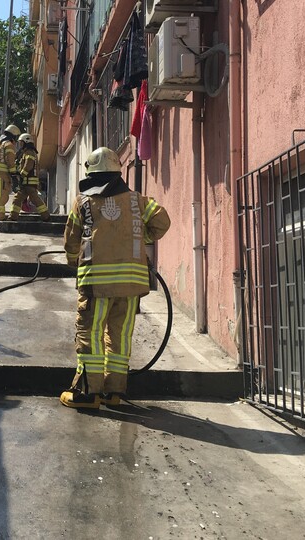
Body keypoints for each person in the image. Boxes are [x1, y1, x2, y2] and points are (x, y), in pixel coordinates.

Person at [60, 147, 171, 408]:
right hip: (131, 284)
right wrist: (138, 239)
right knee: (120, 336)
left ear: (91, 174)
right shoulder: (138, 201)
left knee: (90, 334)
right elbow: (162, 222)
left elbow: (71, 241)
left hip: (95, 284)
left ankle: (88, 393)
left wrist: (73, 261)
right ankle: (114, 393)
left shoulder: (82, 202)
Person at [9, 133, 50, 221]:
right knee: (19, 198)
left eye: (21, 143)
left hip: (28, 182)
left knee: (33, 198)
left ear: (26, 142)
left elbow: (29, 165)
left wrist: (21, 174)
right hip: (27, 182)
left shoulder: (29, 152)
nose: (20, 145)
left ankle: (46, 216)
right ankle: (13, 217)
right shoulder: (29, 152)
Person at [0, 124, 20, 220]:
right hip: (1, 173)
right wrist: (14, 173)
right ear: (14, 135)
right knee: (3, 195)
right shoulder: (8, 144)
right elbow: (10, 160)